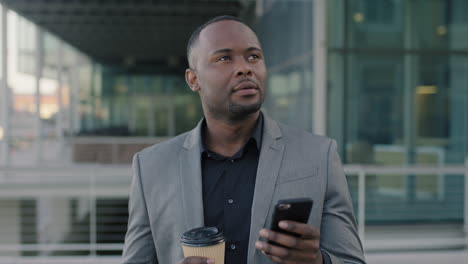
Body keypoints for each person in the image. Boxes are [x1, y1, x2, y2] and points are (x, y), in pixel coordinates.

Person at [122, 15, 365, 264]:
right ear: (193, 80)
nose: (245, 68)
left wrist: (317, 261)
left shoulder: (319, 155)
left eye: (253, 56)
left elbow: (352, 260)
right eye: (224, 58)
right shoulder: (150, 167)